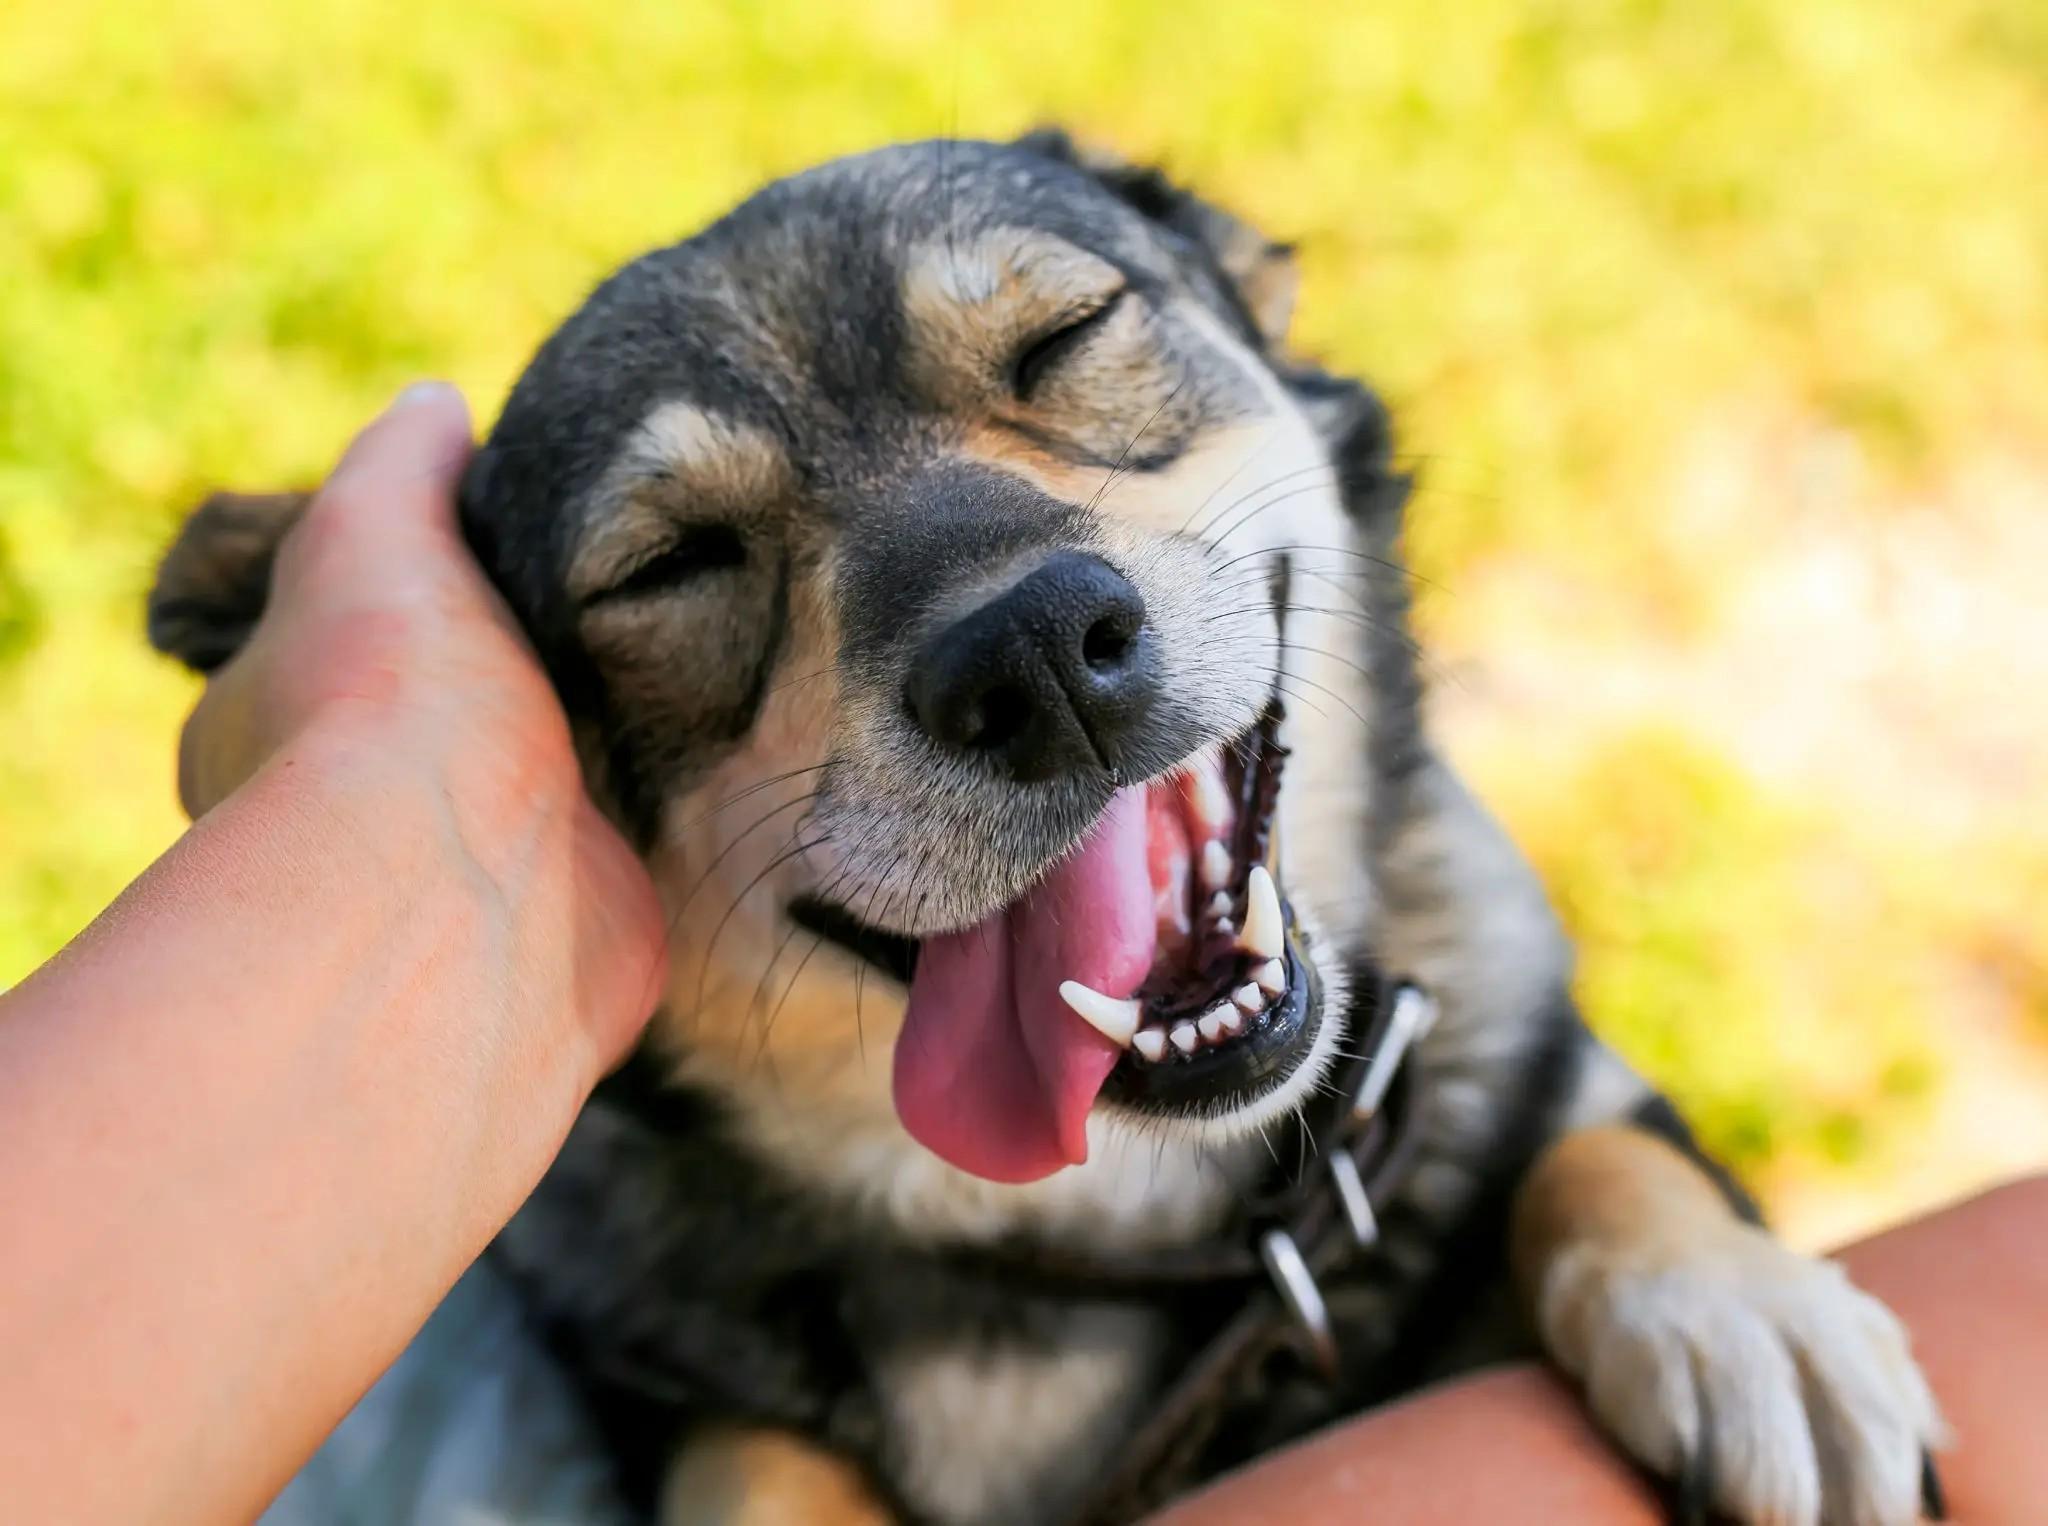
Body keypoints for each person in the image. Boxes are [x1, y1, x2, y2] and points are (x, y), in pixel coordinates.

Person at [0, 385, 2038, 1525]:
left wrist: (1619, 1211)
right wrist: (399, 798)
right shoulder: (621, 1229)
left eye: (1065, 354)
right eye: (683, 560)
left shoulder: (1448, 949)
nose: (1013, 611)